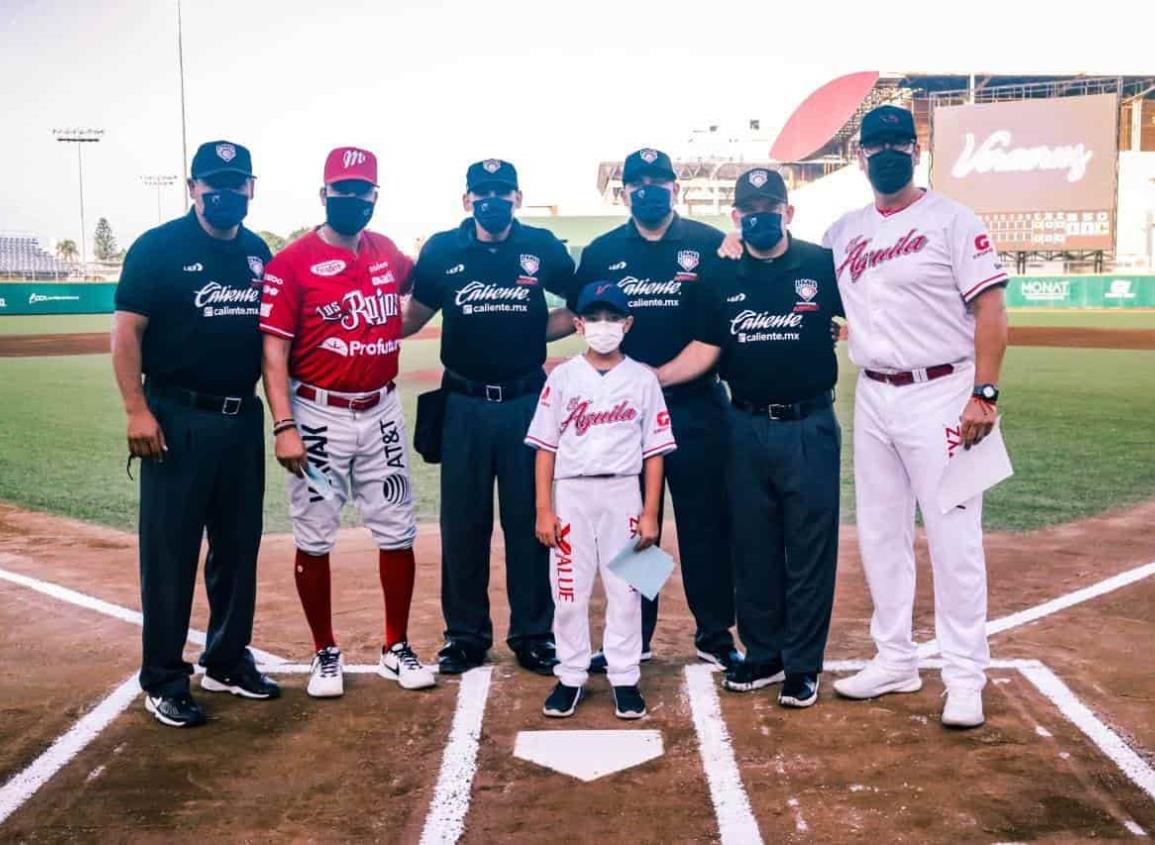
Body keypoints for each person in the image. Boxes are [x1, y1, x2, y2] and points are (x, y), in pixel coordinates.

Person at [823, 105, 1009, 728]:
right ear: (860, 156)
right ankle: (895, 658)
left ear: (917, 148)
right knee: (880, 532)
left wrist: (984, 392)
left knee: (954, 540)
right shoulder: (844, 231)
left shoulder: (953, 220)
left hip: (945, 390)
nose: (887, 153)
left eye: (898, 142)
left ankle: (964, 675)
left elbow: (990, 311)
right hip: (874, 394)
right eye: (875, 145)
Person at [659, 168, 842, 708]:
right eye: (749, 210)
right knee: (753, 545)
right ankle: (762, 653)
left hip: (809, 423)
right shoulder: (721, 272)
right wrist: (648, 380)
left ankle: (802, 665)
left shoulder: (819, 263)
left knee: (808, 549)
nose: (761, 216)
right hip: (741, 424)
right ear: (736, 218)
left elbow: (863, 315)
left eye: (771, 206)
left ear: (788, 211)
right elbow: (707, 347)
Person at [113, 140, 280, 728]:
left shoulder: (258, 253)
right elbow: (128, 333)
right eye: (213, 183)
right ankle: (163, 676)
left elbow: (269, 344)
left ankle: (227, 659)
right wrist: (137, 409)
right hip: (175, 418)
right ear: (192, 188)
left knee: (238, 547)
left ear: (251, 188)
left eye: (236, 183)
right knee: (171, 552)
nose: (225, 193)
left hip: (240, 420)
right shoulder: (159, 248)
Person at [259, 146, 435, 698]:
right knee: (314, 534)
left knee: (397, 528)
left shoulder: (385, 252)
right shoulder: (290, 263)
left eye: (362, 192)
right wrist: (284, 424)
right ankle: (324, 652)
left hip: (380, 408)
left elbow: (421, 295)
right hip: (316, 413)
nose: (353, 200)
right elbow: (273, 353)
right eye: (343, 190)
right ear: (324, 194)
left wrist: (390, 330)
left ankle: (395, 646)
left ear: (374, 197)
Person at [402, 159, 576, 676]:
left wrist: (530, 335)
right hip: (464, 404)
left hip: (527, 401)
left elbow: (580, 302)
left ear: (517, 198)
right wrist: (363, 330)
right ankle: (465, 636)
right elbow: (415, 314)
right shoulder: (442, 249)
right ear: (467, 200)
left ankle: (534, 634)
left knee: (530, 523)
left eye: (502, 193)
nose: (492, 201)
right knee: (463, 526)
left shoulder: (541, 246)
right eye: (482, 193)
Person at [571, 147, 741, 672]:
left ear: (676, 188)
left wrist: (653, 381)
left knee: (704, 526)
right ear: (625, 192)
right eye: (637, 182)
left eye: (658, 181)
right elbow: (587, 326)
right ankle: (634, 635)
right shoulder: (601, 252)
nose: (648, 189)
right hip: (625, 419)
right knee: (636, 529)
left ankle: (714, 633)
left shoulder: (709, 245)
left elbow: (719, 331)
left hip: (695, 408)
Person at [526, 281, 675, 719]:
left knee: (628, 590)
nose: (603, 326)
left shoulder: (643, 379)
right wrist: (544, 509)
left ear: (628, 324)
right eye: (594, 317)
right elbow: (545, 447)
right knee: (568, 592)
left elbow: (654, 453)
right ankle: (571, 673)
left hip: (624, 492)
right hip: (573, 493)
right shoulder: (564, 376)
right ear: (578, 324)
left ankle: (625, 676)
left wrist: (651, 513)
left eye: (613, 318)